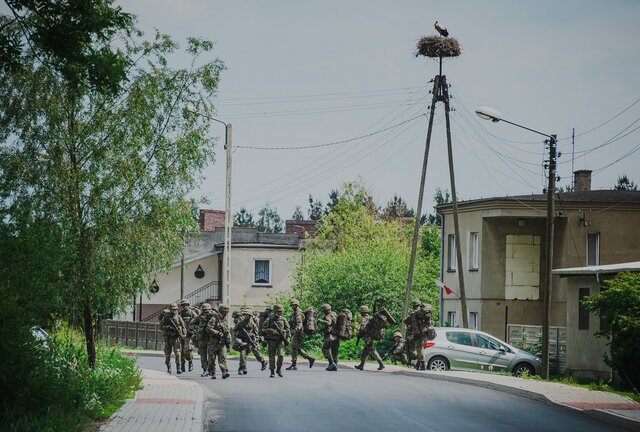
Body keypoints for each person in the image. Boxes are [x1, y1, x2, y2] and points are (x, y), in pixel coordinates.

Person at [234, 308, 267, 375]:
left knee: (256, 352)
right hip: (243, 341)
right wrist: (238, 335)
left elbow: (257, 334)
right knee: (243, 354)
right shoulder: (240, 323)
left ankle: (263, 362)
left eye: (247, 315)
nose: (246, 316)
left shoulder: (253, 324)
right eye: (245, 315)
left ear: (250, 316)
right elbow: (234, 330)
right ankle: (242, 367)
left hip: (251, 341)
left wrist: (254, 339)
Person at [261, 304, 290, 378]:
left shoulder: (283, 319)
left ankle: (279, 369)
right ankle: (272, 371)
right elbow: (263, 329)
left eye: (281, 311)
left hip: (281, 340)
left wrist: (288, 339)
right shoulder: (269, 319)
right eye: (278, 311)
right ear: (275, 311)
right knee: (272, 356)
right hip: (272, 341)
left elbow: (288, 330)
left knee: (281, 355)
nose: (280, 313)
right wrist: (271, 331)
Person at [286, 298, 315, 370]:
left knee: (293, 348)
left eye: (294, 305)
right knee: (297, 348)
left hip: (298, 333)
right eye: (292, 305)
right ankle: (310, 359)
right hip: (298, 333)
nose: (292, 306)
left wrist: (295, 331)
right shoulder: (295, 312)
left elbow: (299, 324)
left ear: (297, 305)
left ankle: (294, 364)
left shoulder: (298, 313)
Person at [354, 305, 385, 371]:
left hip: (368, 337)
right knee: (370, 350)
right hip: (371, 336)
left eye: (361, 311)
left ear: (363, 312)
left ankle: (363, 365)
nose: (360, 312)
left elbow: (362, 329)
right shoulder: (370, 317)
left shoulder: (364, 318)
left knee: (368, 351)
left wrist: (359, 336)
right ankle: (363, 365)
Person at [160, 303, 186, 375]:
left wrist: (184, 334)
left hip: (176, 338)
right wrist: (167, 327)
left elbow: (183, 326)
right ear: (170, 310)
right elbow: (161, 326)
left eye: (175, 309)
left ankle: (178, 368)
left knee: (177, 353)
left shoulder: (178, 317)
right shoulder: (166, 317)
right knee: (168, 354)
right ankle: (169, 367)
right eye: (172, 309)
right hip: (168, 337)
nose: (174, 311)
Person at [206, 304, 231, 379]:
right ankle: (213, 373)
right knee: (212, 359)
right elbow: (208, 328)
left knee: (223, 357)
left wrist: (228, 339)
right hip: (213, 342)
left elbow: (227, 330)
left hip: (222, 342)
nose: (225, 314)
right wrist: (216, 332)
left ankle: (224, 372)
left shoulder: (224, 319)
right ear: (221, 311)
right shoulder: (214, 318)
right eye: (224, 312)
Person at [190, 302, 215, 376]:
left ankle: (210, 370)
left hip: (211, 339)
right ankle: (205, 369)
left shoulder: (214, 317)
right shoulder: (199, 317)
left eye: (208, 310)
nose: (206, 312)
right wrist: (196, 329)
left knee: (211, 356)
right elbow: (191, 323)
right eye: (205, 310)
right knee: (203, 355)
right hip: (202, 339)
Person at [317, 303, 339, 371]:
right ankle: (334, 366)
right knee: (334, 351)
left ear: (326, 310)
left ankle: (331, 363)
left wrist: (320, 321)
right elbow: (333, 325)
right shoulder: (335, 314)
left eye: (324, 311)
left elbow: (328, 323)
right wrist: (321, 330)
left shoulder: (328, 316)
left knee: (324, 349)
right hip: (337, 336)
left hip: (330, 336)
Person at [178, 298, 199, 372]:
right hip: (181, 335)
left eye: (186, 305)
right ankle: (182, 365)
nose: (184, 307)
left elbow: (198, 322)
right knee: (181, 351)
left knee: (188, 351)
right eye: (183, 305)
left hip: (189, 335)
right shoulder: (179, 314)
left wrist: (193, 330)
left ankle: (190, 362)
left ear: (188, 305)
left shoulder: (192, 313)